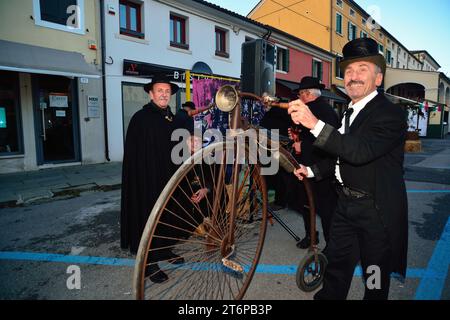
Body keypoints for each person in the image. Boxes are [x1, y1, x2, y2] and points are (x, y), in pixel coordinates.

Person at [288, 38, 408, 300]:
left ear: (378, 79)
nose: (353, 77)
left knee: (374, 277)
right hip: (345, 207)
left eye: (362, 69)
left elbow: (359, 151)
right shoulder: (349, 113)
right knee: (336, 267)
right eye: (349, 71)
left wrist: (314, 123)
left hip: (376, 212)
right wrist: (312, 171)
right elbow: (340, 157)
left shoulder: (391, 115)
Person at [120, 73, 185, 283]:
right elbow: (135, 157)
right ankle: (148, 262)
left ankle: (164, 250)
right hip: (147, 181)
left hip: (168, 177)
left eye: (167, 91)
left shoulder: (171, 117)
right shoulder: (141, 118)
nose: (164, 94)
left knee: (167, 217)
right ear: (151, 93)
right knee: (149, 218)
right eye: (160, 90)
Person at [288, 76, 339, 250]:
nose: (299, 97)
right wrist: (297, 139)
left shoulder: (323, 111)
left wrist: (302, 143)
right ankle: (312, 237)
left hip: (322, 167)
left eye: (301, 93)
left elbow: (331, 140)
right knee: (307, 204)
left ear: (307, 93)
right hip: (308, 165)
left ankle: (329, 243)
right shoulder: (316, 109)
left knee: (325, 209)